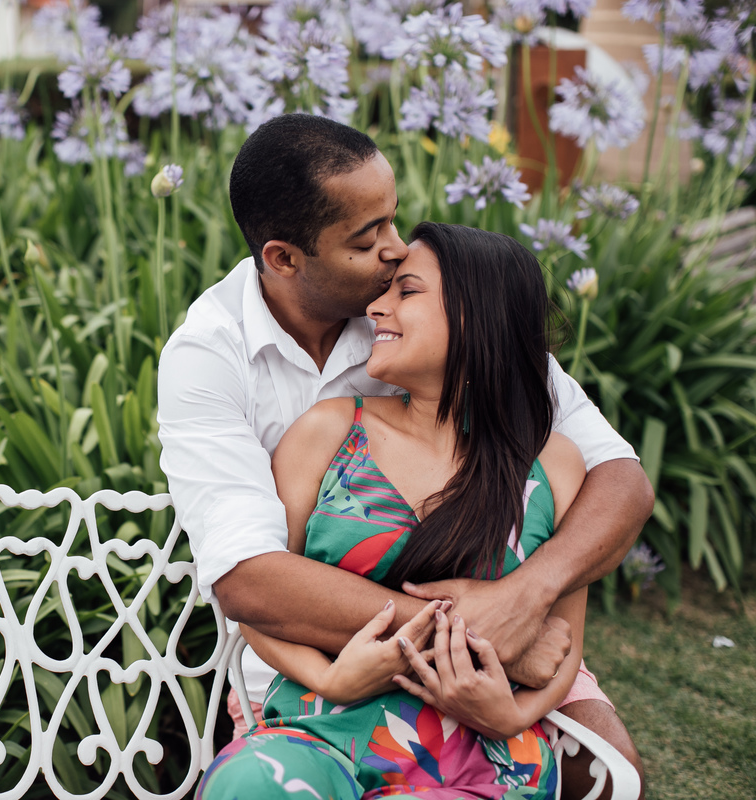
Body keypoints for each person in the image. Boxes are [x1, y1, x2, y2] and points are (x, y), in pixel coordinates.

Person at [156, 114, 652, 796]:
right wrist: (468, 631)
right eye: (367, 239)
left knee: (614, 771)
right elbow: (249, 579)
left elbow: (621, 481)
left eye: (392, 220)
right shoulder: (214, 356)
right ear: (284, 259)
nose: (395, 251)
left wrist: (525, 597)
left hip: (509, 647)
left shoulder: (439, 309)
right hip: (328, 663)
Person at [196, 221, 588, 798]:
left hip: (483, 751)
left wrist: (512, 715)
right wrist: (330, 677)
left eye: (406, 291)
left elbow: (563, 641)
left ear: (477, 314)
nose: (375, 307)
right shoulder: (329, 432)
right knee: (254, 783)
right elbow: (260, 605)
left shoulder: (552, 465)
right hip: (321, 730)